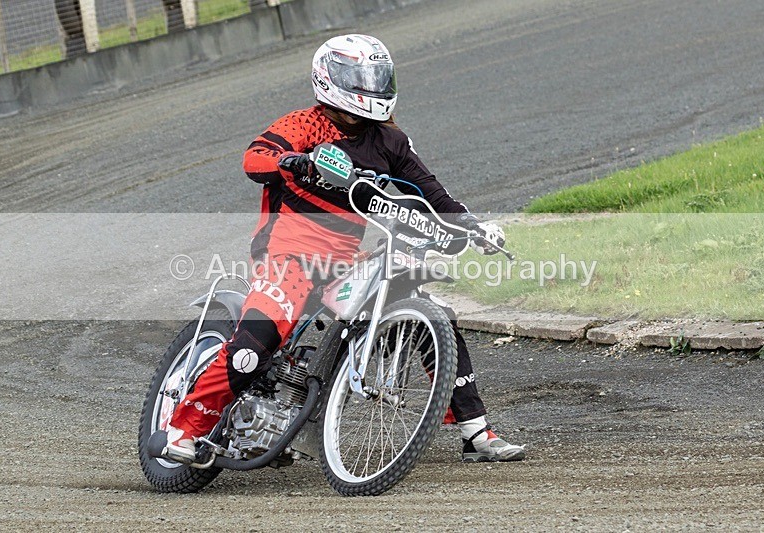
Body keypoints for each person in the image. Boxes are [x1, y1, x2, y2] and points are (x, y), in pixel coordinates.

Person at [164, 34, 525, 465]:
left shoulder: (391, 142)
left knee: (430, 314)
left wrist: (474, 227)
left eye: (377, 76)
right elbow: (254, 158)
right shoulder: (304, 124)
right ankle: (184, 429)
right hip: (288, 253)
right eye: (360, 77)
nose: (371, 86)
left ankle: (476, 432)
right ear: (328, 77)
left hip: (342, 260)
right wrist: (290, 162)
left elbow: (433, 196)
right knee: (255, 342)